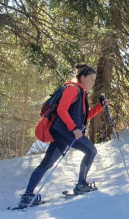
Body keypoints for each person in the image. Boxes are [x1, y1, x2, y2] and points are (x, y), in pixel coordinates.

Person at [17, 64, 109, 208]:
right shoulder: (72, 89)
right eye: (90, 79)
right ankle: (81, 184)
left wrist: (99, 106)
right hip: (65, 131)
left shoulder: (81, 92)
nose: (92, 82)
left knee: (47, 163)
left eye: (94, 80)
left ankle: (27, 196)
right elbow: (62, 110)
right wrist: (73, 129)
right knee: (91, 150)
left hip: (62, 133)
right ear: (82, 77)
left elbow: (83, 118)